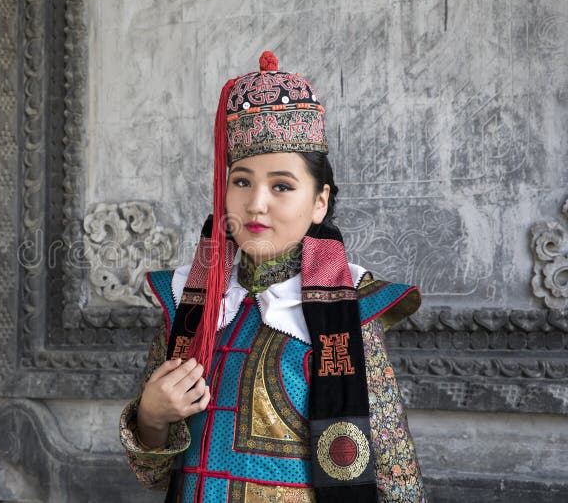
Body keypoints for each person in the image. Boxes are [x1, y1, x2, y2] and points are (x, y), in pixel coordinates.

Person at [119, 51, 425, 502]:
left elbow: (395, 478)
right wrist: (150, 417)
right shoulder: (192, 305)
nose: (256, 203)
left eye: (281, 186)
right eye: (241, 182)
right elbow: (154, 477)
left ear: (319, 201)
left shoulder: (350, 314)